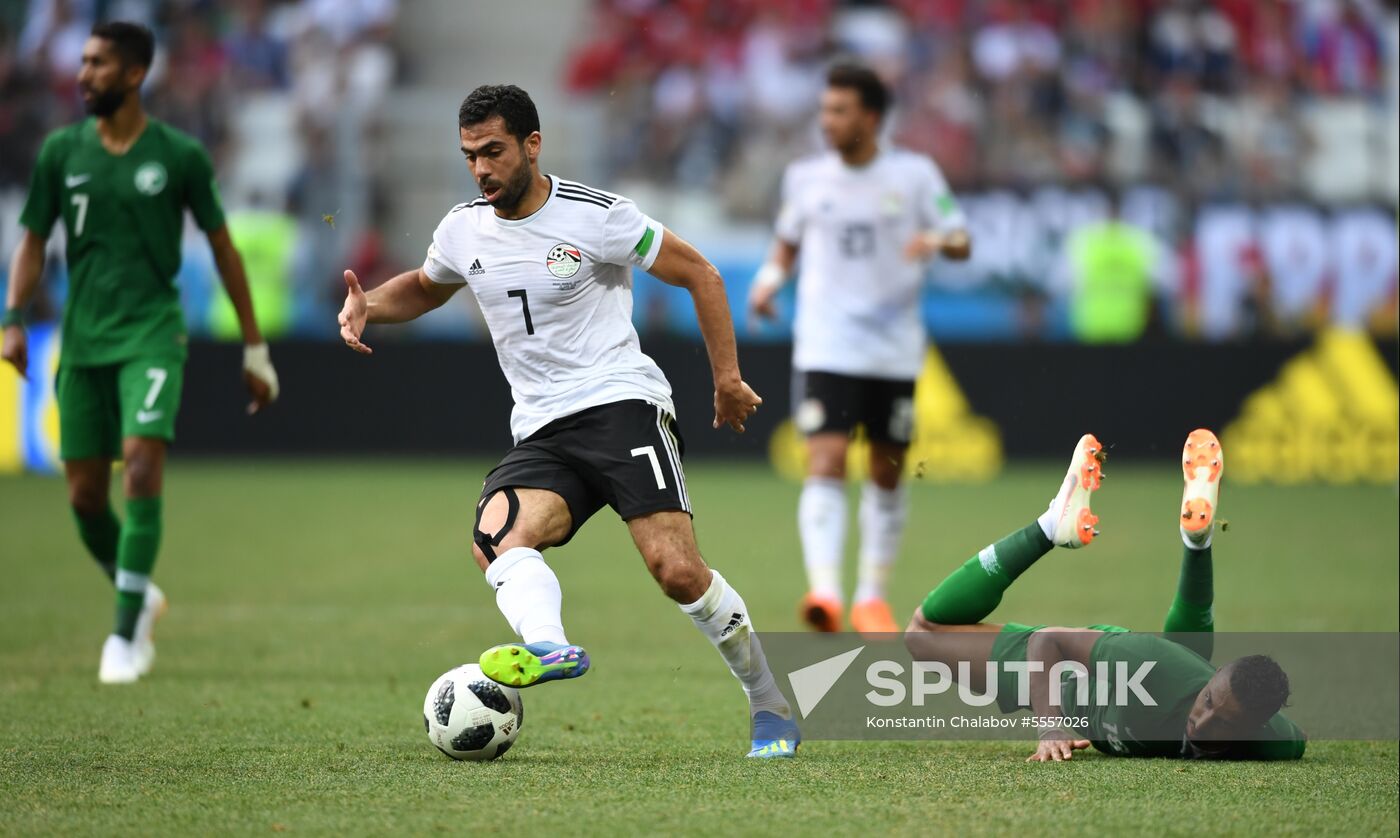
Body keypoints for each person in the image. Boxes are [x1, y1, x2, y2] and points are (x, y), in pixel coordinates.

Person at [335, 84, 799, 758]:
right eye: (469, 156)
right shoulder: (463, 228)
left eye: (493, 152)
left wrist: (725, 379)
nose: (481, 169)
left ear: (532, 144)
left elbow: (700, 273)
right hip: (543, 430)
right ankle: (548, 646)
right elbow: (427, 287)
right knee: (496, 535)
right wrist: (369, 305)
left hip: (619, 405)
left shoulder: (599, 217)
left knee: (675, 570)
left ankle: (770, 702)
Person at [2, 22, 280, 684]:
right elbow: (34, 240)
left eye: (97, 63)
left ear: (134, 74)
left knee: (141, 466)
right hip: (85, 337)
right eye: (82, 61)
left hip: (153, 332)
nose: (83, 73)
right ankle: (137, 586)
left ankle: (125, 633)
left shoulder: (178, 156)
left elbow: (222, 246)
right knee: (83, 496)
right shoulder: (61, 153)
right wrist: (13, 317)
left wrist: (254, 345)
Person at [905, 429, 1307, 761]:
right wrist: (1051, 725)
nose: (1203, 724)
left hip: (1156, 676)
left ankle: (1195, 541)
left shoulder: (1275, 741)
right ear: (1211, 683)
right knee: (921, 635)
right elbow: (1048, 640)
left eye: (1225, 723)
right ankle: (1049, 528)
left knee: (1181, 658)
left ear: (1253, 727)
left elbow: (1292, 738)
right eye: (1207, 703)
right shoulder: (1151, 665)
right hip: (1062, 678)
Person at [749, 62, 972, 637]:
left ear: (870, 117)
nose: (828, 122)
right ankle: (824, 591)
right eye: (824, 111)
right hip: (826, 343)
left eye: (839, 111)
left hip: (894, 348)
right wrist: (769, 282)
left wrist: (940, 238)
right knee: (823, 459)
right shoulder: (805, 178)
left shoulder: (916, 175)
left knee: (886, 470)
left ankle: (871, 596)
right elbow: (786, 243)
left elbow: (962, 236)